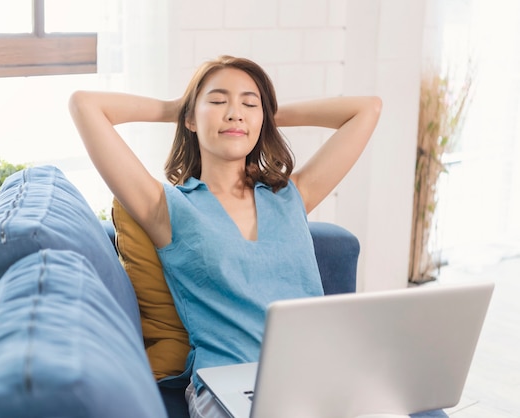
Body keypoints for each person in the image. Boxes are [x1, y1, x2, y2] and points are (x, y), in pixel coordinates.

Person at [69, 55, 382, 417]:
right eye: (217, 101)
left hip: (317, 376)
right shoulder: (165, 207)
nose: (234, 113)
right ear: (190, 118)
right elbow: (84, 105)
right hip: (228, 385)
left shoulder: (291, 194)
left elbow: (367, 109)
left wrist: (261, 117)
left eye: (249, 103)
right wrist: (179, 108)